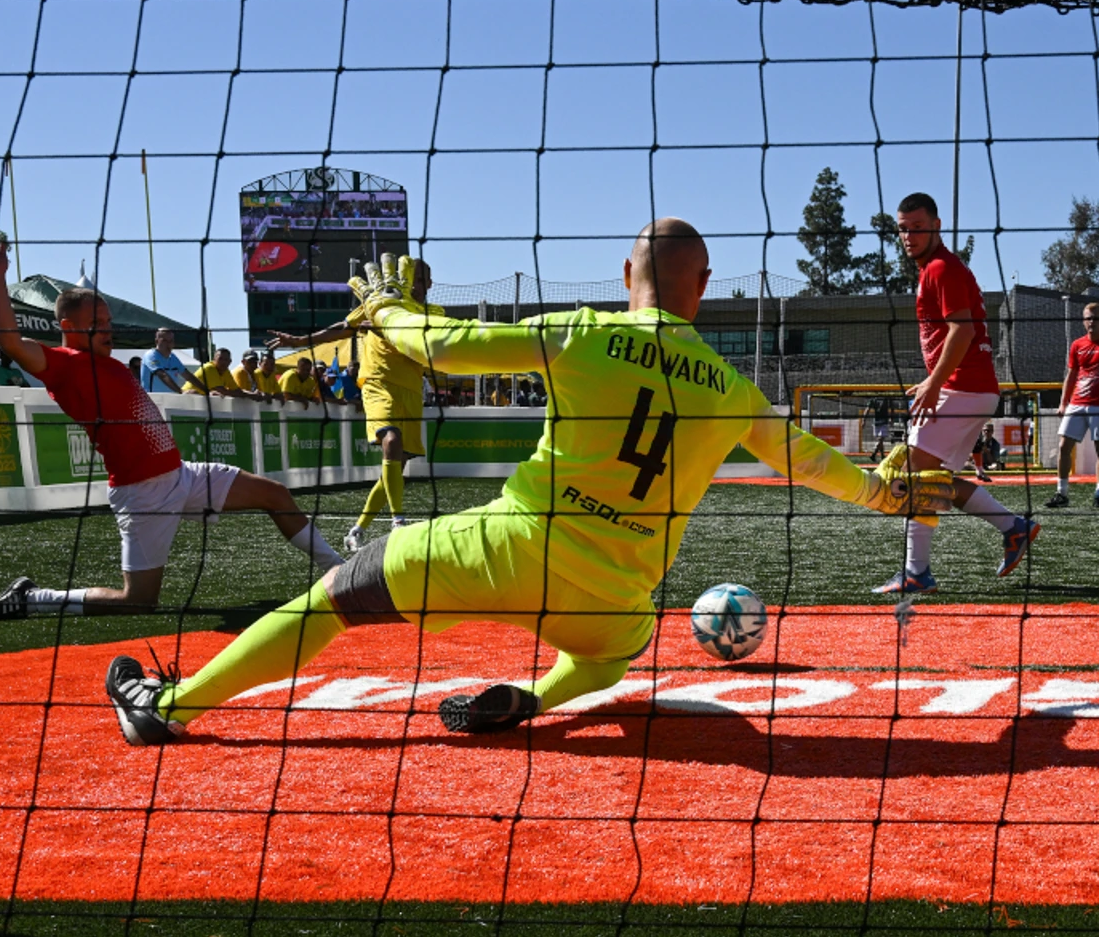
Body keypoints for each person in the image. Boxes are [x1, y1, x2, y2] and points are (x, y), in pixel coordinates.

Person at [101, 220, 957, 745]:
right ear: (701, 288)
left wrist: (384, 311)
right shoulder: (736, 393)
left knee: (332, 597)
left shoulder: (580, 331)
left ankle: (170, 701)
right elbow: (826, 473)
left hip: (510, 548)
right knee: (611, 656)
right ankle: (541, 697)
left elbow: (437, 347)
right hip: (614, 590)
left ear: (628, 278)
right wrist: (891, 494)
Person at [0, 234, 343, 621]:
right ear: (68, 326)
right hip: (143, 495)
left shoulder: (109, 361)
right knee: (139, 601)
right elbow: (11, 342)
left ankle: (338, 570)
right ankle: (33, 599)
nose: (108, 329)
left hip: (182, 476)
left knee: (275, 494)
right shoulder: (62, 363)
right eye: (97, 323)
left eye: (109, 320)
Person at [872, 192, 1037, 594]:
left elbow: (961, 331)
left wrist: (933, 383)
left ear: (936, 225)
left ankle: (916, 573)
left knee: (910, 477)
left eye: (917, 228)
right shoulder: (940, 267)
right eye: (903, 229)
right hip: (973, 390)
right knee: (935, 481)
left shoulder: (941, 268)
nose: (909, 236)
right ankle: (1014, 528)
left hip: (961, 388)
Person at [270, 257, 447, 555]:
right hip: (378, 384)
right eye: (412, 278)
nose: (414, 284)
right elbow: (342, 328)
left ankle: (357, 530)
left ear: (428, 284)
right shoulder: (378, 300)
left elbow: (435, 349)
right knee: (391, 441)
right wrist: (301, 339)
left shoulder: (434, 313)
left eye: (420, 279)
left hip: (411, 392)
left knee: (395, 469)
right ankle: (398, 522)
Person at [1047, 303, 1099, 509]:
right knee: (1064, 447)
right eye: (1088, 318)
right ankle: (1061, 493)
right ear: (1083, 321)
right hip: (1076, 404)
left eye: (1095, 318)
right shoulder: (1077, 345)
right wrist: (1063, 403)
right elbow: (1071, 376)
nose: (1091, 322)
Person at [140, 328, 189, 394]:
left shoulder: (173, 357)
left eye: (171, 341)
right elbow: (163, 375)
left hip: (169, 400)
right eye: (164, 341)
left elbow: (187, 375)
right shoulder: (150, 355)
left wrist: (206, 391)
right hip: (152, 400)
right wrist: (181, 391)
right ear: (157, 341)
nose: (168, 344)